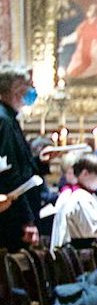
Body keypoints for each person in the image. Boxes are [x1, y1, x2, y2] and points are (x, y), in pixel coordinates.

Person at [0, 62, 40, 250]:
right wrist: (27, 218)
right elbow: (9, 172)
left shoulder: (8, 118)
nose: (31, 92)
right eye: (28, 87)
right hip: (11, 215)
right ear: (16, 89)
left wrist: (40, 163)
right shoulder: (4, 121)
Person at [50, 153, 97, 249]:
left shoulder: (87, 195)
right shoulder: (78, 197)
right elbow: (92, 230)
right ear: (85, 174)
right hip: (79, 253)